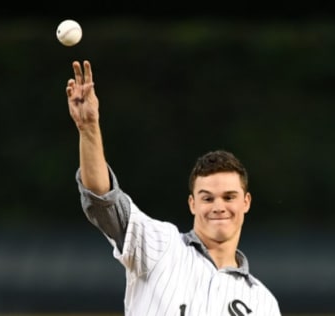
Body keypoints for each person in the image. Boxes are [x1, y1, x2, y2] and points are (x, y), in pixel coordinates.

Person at [66, 60, 281, 316]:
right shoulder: (161, 246)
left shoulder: (262, 302)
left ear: (246, 202)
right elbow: (103, 202)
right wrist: (89, 128)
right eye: (207, 198)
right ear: (192, 203)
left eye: (229, 197)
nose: (219, 206)